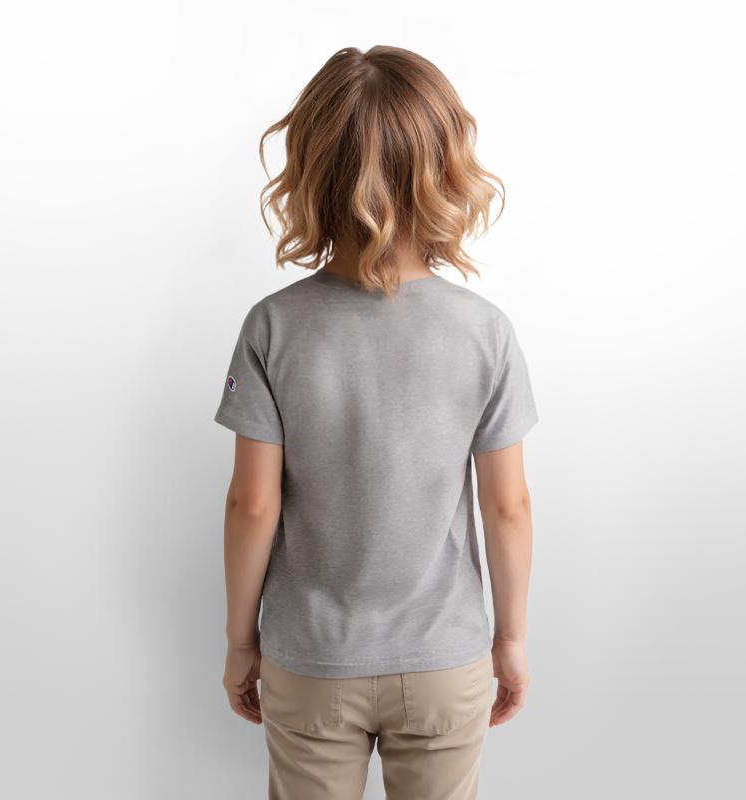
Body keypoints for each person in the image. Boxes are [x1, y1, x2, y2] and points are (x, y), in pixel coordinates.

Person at [214, 45, 538, 800]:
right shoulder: (484, 332)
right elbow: (508, 507)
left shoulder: (273, 327)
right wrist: (510, 639)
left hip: (311, 661)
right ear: (445, 168)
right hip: (444, 660)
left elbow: (252, 504)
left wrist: (239, 642)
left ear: (313, 169)